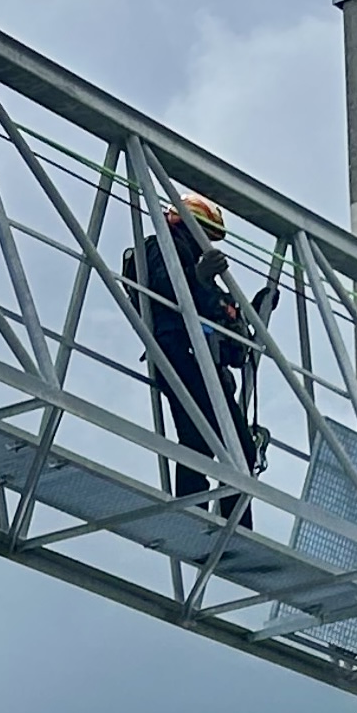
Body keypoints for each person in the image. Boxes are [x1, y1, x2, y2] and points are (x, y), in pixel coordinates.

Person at [123, 193, 271, 519]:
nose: (205, 243)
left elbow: (226, 328)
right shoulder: (158, 248)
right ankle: (220, 527)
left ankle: (201, 521)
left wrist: (248, 316)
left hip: (203, 364)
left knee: (202, 444)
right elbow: (166, 291)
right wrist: (199, 278)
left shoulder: (194, 264)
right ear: (183, 226)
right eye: (200, 234)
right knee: (229, 447)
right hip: (178, 355)